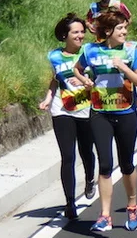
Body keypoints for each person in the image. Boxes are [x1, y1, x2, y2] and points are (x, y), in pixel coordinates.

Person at [74, 11, 137, 233]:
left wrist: (124, 68)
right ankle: (105, 215)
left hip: (126, 113)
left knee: (126, 164)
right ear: (108, 31)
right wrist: (85, 80)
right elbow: (77, 69)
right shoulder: (90, 50)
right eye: (120, 28)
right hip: (100, 113)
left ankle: (132, 205)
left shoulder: (132, 51)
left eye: (125, 28)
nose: (124, 32)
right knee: (105, 164)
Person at [38, 14, 96, 220]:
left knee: (86, 151)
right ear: (65, 35)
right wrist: (47, 99)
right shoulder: (55, 56)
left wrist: (88, 83)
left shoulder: (89, 53)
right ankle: (70, 202)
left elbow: (101, 77)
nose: (80, 36)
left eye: (82, 32)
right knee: (68, 156)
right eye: (75, 32)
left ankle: (90, 178)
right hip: (62, 109)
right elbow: (55, 80)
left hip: (86, 108)